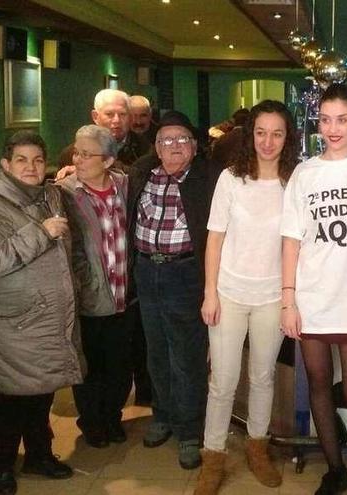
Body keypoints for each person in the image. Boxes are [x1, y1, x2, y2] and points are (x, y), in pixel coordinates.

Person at [0, 131, 85, 495]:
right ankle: (2, 467)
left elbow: (70, 247)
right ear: (5, 165)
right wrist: (40, 232)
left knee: (41, 393)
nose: (31, 167)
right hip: (12, 324)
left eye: (36, 160)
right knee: (12, 401)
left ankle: (38, 455)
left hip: (45, 319)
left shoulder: (51, 195)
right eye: (21, 160)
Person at [194, 100, 299, 494]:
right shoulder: (230, 178)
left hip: (273, 295)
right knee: (222, 381)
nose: (267, 142)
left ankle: (258, 447)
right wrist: (210, 293)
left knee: (262, 376)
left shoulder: (295, 182)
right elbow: (215, 238)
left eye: (277, 133)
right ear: (249, 134)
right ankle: (213, 455)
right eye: (260, 132)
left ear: (287, 138)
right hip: (229, 293)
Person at [280, 83, 347, 494]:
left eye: (342, 119)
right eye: (325, 120)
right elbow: (291, 239)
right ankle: (335, 468)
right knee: (318, 383)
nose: (333, 128)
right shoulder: (305, 173)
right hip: (314, 295)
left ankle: (328, 418)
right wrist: (289, 299)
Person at [129, 110, 218, 470]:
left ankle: (190, 430)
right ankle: (162, 415)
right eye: (166, 140)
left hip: (186, 274)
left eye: (182, 139)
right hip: (146, 272)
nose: (174, 146)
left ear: (195, 147)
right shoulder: (141, 174)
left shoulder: (208, 179)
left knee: (187, 356)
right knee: (156, 351)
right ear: (156, 147)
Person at [58, 125, 132, 448]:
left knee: (120, 365)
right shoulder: (65, 192)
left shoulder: (125, 186)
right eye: (77, 152)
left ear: (109, 160)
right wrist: (84, 282)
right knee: (90, 367)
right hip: (90, 296)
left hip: (124, 295)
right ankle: (92, 422)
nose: (79, 159)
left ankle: (112, 417)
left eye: (87, 154)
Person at [58, 89, 153, 172]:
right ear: (95, 117)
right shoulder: (72, 154)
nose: (117, 120)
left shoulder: (147, 151)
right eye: (109, 114)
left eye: (122, 114)